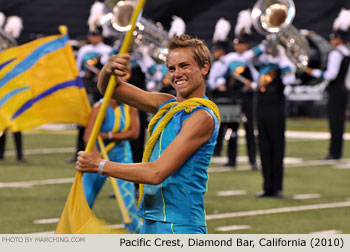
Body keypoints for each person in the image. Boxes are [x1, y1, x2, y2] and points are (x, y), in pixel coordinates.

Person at [76, 34, 220, 234]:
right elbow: (110, 89)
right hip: (150, 221)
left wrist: (100, 165)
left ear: (204, 67)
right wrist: (109, 69)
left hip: (179, 226)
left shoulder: (202, 117)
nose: (177, 74)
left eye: (184, 66)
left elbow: (156, 173)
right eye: (172, 68)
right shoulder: (166, 104)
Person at [82, 98, 141, 233]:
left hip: (122, 158)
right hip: (98, 157)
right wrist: (96, 161)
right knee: (84, 202)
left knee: (128, 206)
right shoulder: (99, 108)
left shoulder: (130, 106)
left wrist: (109, 135)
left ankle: (140, 238)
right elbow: (88, 136)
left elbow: (134, 132)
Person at [247, 42, 296, 198]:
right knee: (263, 148)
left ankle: (277, 187)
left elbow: (289, 81)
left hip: (276, 109)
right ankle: (267, 187)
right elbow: (245, 58)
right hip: (261, 108)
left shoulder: (284, 64)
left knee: (277, 148)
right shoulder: (263, 64)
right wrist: (260, 47)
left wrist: (281, 57)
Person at [208, 27, 258, 170]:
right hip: (234, 97)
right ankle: (231, 159)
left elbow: (257, 77)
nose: (238, 46)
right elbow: (217, 77)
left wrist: (253, 85)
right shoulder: (229, 59)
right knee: (232, 129)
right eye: (236, 43)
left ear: (246, 44)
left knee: (250, 129)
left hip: (248, 97)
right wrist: (220, 83)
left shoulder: (252, 57)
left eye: (241, 43)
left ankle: (253, 160)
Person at [305, 14, 350, 160]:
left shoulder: (336, 53)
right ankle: (336, 151)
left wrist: (313, 71)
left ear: (339, 39)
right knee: (339, 122)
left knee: (334, 122)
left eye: (333, 37)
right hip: (343, 89)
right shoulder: (346, 52)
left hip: (335, 89)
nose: (331, 40)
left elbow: (330, 75)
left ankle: (334, 152)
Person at [68, 26, 113, 163]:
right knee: (84, 120)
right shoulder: (84, 50)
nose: (93, 37)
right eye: (91, 35)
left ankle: (101, 152)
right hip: (87, 86)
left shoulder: (107, 50)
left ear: (101, 36)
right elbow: (77, 69)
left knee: (101, 119)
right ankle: (79, 152)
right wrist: (85, 74)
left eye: (96, 35)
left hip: (100, 88)